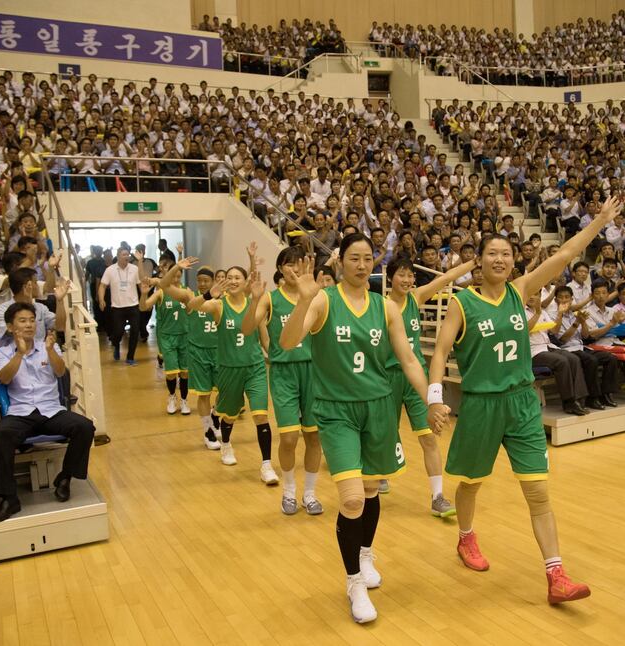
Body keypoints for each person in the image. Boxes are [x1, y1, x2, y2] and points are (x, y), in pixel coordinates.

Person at [427, 196, 625, 605]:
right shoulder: (463, 303)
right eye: (491, 254)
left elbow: (568, 252)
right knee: (471, 483)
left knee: (537, 491)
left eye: (506, 254)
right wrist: (434, 398)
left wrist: (600, 221)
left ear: (513, 261)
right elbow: (441, 352)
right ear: (478, 261)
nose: (499, 260)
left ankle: (556, 574)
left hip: (520, 402)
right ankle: (466, 539)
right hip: (481, 404)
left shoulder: (520, 290)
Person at [279, 234, 443, 624]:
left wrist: (432, 398)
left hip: (378, 408)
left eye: (368, 258)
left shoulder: (386, 307)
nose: (362, 264)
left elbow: (409, 359)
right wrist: (303, 298)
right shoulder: (323, 299)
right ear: (340, 263)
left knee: (370, 490)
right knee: (351, 499)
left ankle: (365, 553)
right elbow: (287, 343)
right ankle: (353, 582)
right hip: (336, 412)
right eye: (354, 257)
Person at [381, 255, 475, 514]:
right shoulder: (380, 306)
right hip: (386, 378)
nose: (407, 279)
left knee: (429, 438)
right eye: (401, 274)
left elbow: (445, 278)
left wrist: (472, 264)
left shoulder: (416, 297)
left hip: (416, 378)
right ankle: (378, 473)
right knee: (382, 434)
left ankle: (437, 497)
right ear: (390, 277)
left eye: (410, 275)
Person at [0, 303, 95, 522]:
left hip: (50, 410)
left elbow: (59, 372)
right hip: (21, 412)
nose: (29, 325)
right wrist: (19, 354)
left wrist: (49, 351)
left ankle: (65, 478)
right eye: (22, 321)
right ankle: (9, 498)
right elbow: (4, 379)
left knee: (84, 426)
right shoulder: (2, 353)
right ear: (10, 327)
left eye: (32, 320)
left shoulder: (49, 346)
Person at [240, 245, 324, 516]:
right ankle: (289, 491)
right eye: (289, 264)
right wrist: (253, 300)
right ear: (280, 269)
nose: (295, 269)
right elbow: (246, 329)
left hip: (314, 371)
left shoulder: (317, 297)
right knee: (289, 438)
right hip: (283, 372)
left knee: (314, 437)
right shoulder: (270, 299)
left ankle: (309, 493)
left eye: (299, 263)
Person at [189, 244, 277, 483]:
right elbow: (192, 307)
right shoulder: (219, 305)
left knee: (261, 415)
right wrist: (210, 293)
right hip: (229, 368)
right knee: (228, 416)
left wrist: (274, 358)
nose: (234, 280)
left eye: (238, 277)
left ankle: (267, 465)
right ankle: (226, 444)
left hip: (255, 367)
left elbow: (264, 336)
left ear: (245, 281)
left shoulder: (254, 303)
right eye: (230, 277)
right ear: (224, 282)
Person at [158, 259, 221, 448]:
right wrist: (177, 267)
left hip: (220, 352)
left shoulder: (222, 298)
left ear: (213, 282)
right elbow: (164, 285)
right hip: (197, 353)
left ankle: (214, 416)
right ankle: (207, 431)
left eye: (206, 281)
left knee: (226, 394)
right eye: (199, 280)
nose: (202, 284)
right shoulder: (189, 296)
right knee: (204, 395)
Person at [553, 286, 619, 408]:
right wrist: (576, 323)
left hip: (582, 347)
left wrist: (583, 322)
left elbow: (585, 335)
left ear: (572, 299)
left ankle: (606, 393)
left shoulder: (575, 314)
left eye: (567, 297)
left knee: (610, 358)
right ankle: (592, 397)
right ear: (556, 300)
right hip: (567, 349)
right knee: (591, 361)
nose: (564, 300)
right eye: (561, 297)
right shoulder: (554, 316)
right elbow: (561, 340)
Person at [141, 258, 191, 415]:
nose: (175, 279)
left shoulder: (187, 292)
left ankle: (184, 400)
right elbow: (144, 307)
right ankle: (171, 397)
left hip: (184, 336)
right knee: (171, 373)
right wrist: (143, 295)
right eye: (173, 275)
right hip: (167, 337)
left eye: (178, 276)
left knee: (184, 373)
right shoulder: (161, 292)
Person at [0, 268, 69, 344]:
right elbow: (12, 332)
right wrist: (27, 303)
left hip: (40, 353)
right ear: (26, 286)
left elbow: (60, 326)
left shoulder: (41, 308)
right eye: (35, 282)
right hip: (14, 354)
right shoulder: (1, 310)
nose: (38, 286)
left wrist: (59, 301)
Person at [98, 246, 140, 365]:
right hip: (117, 307)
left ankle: (130, 357)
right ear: (118, 256)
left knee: (135, 331)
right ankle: (116, 344)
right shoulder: (110, 270)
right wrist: (101, 299)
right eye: (124, 255)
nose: (126, 257)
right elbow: (102, 286)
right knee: (118, 332)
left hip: (133, 305)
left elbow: (140, 285)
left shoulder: (134, 269)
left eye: (128, 254)